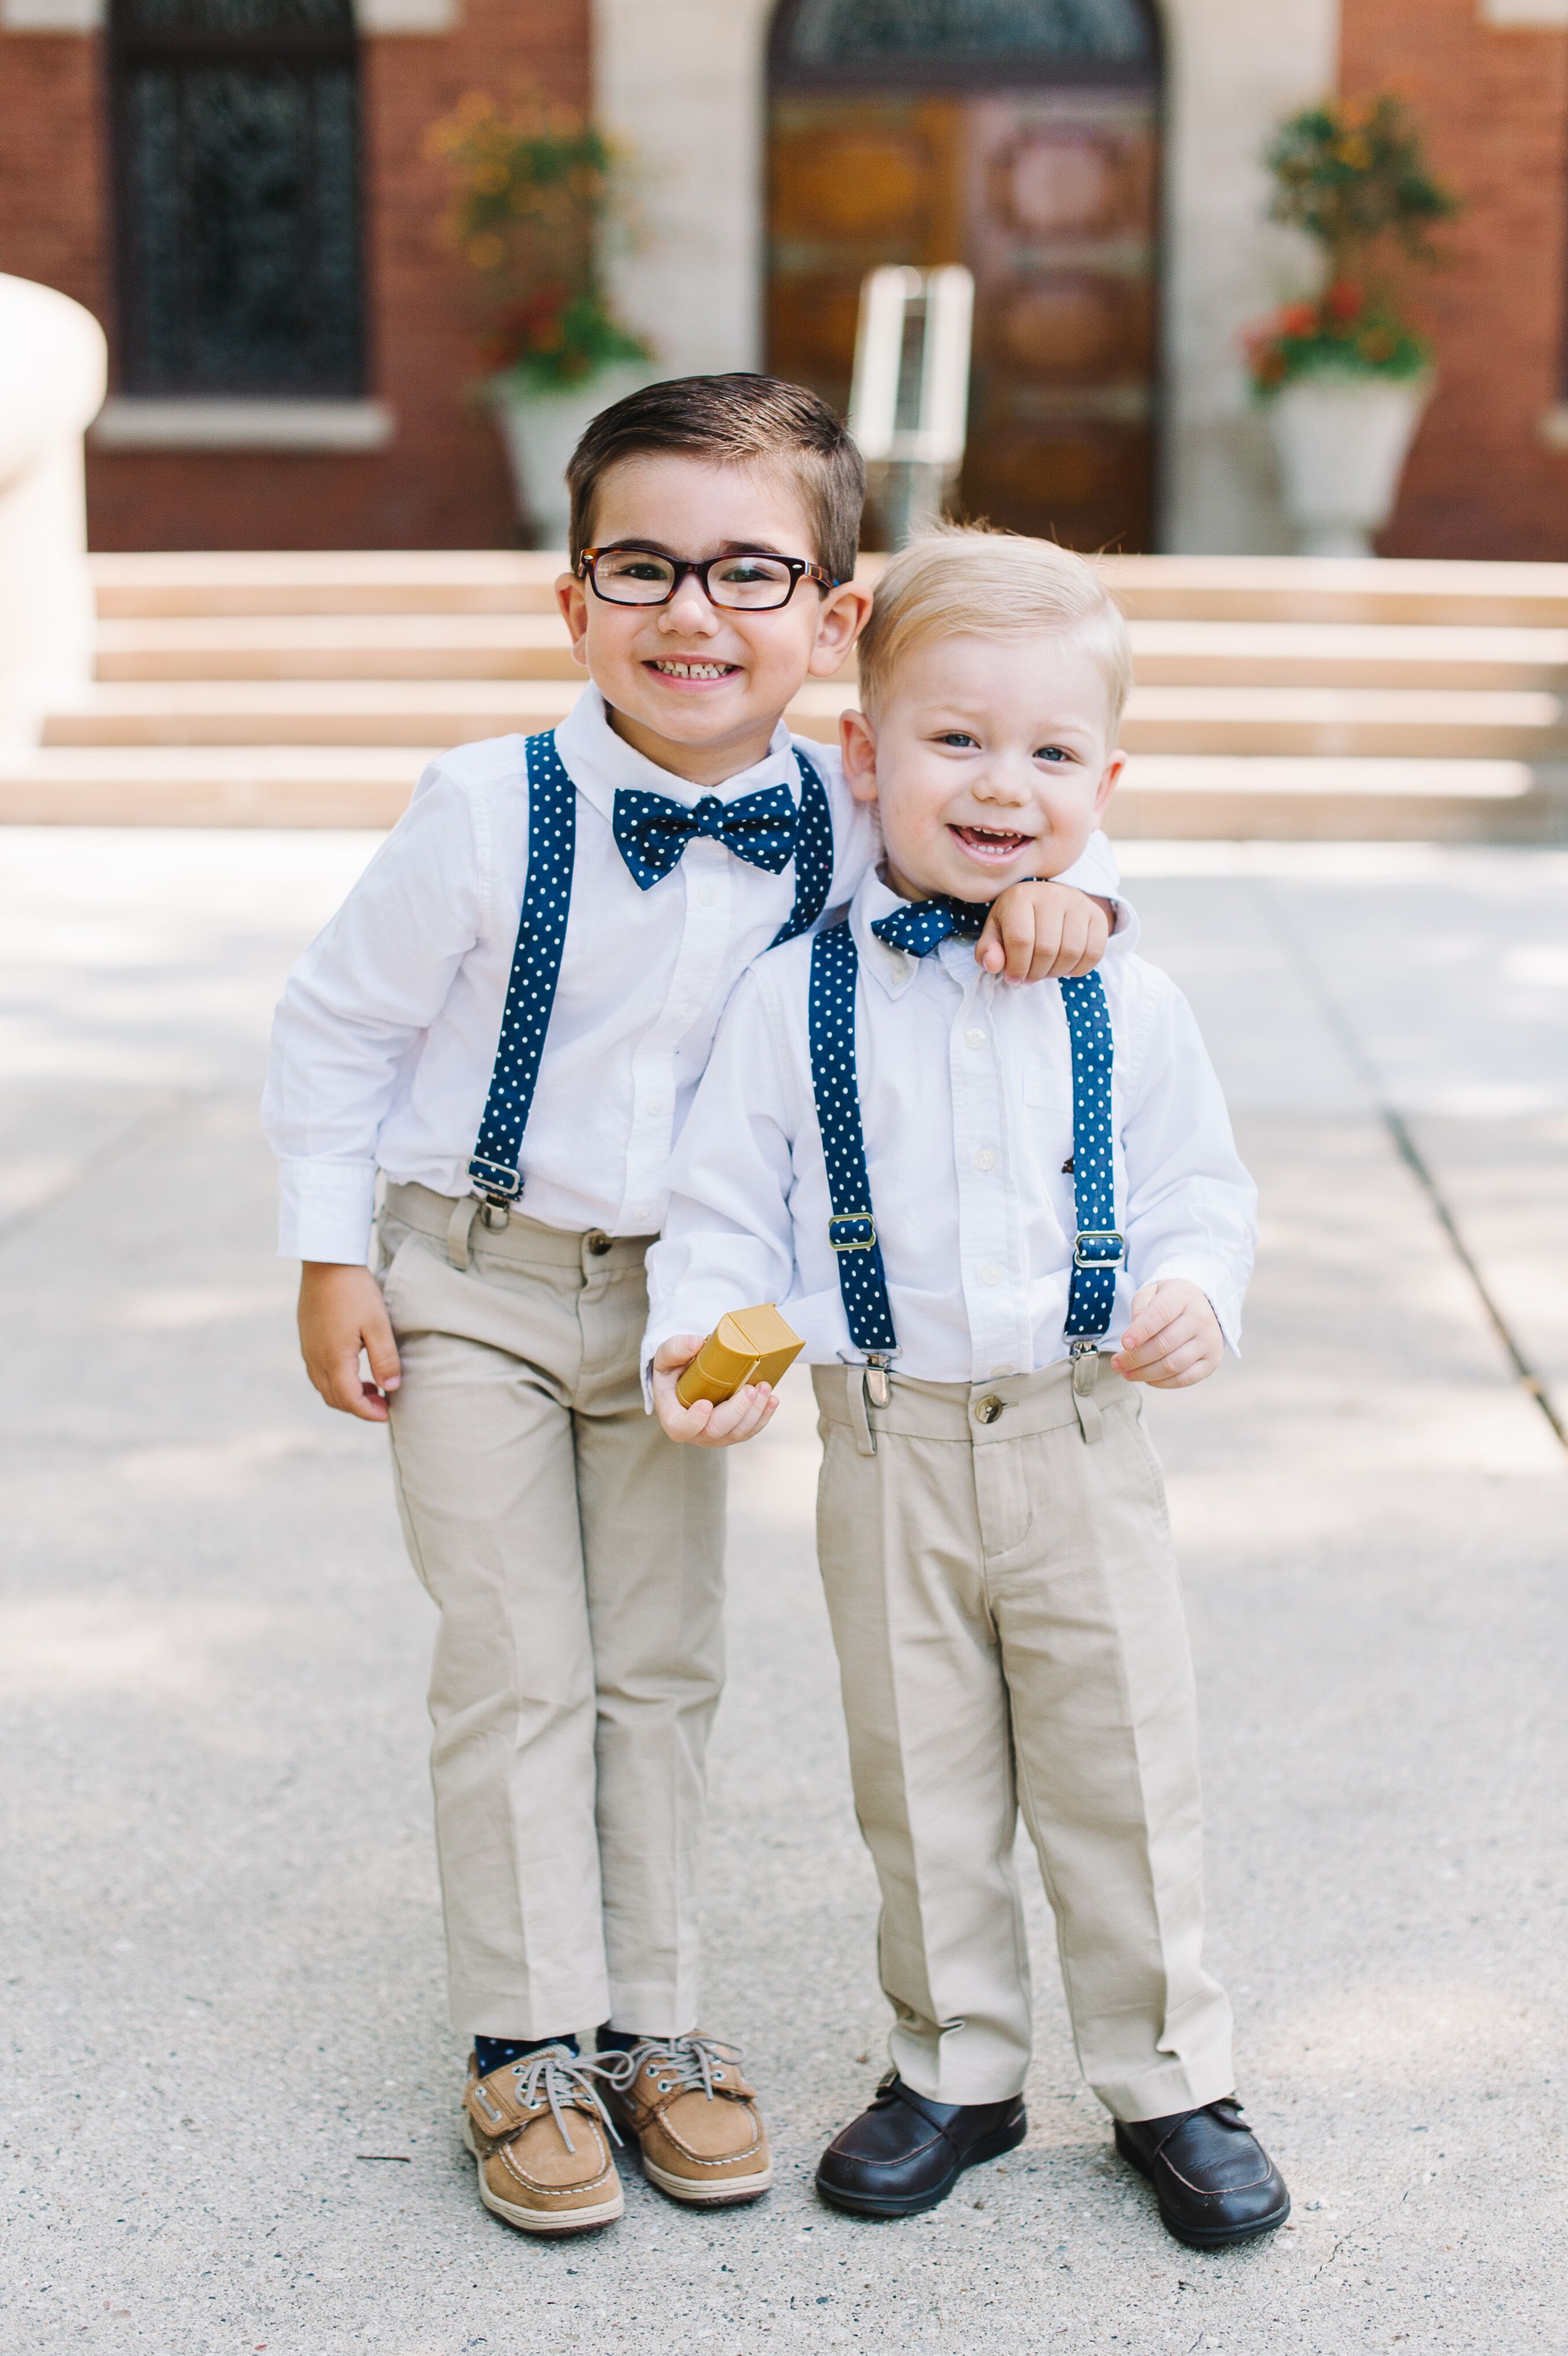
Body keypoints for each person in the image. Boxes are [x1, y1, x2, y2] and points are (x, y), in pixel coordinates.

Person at [261, 378, 1124, 2238]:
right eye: (643, 565)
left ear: (834, 622)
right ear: (573, 600)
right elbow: (340, 1024)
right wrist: (333, 1250)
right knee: (518, 1654)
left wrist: (1088, 898)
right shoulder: (486, 809)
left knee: (659, 1660)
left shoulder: (849, 803)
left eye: (752, 572)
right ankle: (522, 2037)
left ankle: (651, 2015)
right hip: (470, 1276)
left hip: (688, 1309)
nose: (694, 613)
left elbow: (1016, 803)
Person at [645, 526, 1291, 2253]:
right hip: (886, 1444)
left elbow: (1200, 1189)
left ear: (1107, 781)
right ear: (864, 756)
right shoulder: (795, 1004)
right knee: (920, 1768)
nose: (1004, 785)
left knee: (1123, 1761)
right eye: (954, 739)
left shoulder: (1131, 996)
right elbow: (725, 1209)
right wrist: (696, 1341)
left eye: (1052, 752)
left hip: (1082, 1431)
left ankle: (1170, 2074)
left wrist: (1187, 1291)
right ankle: (957, 2064)